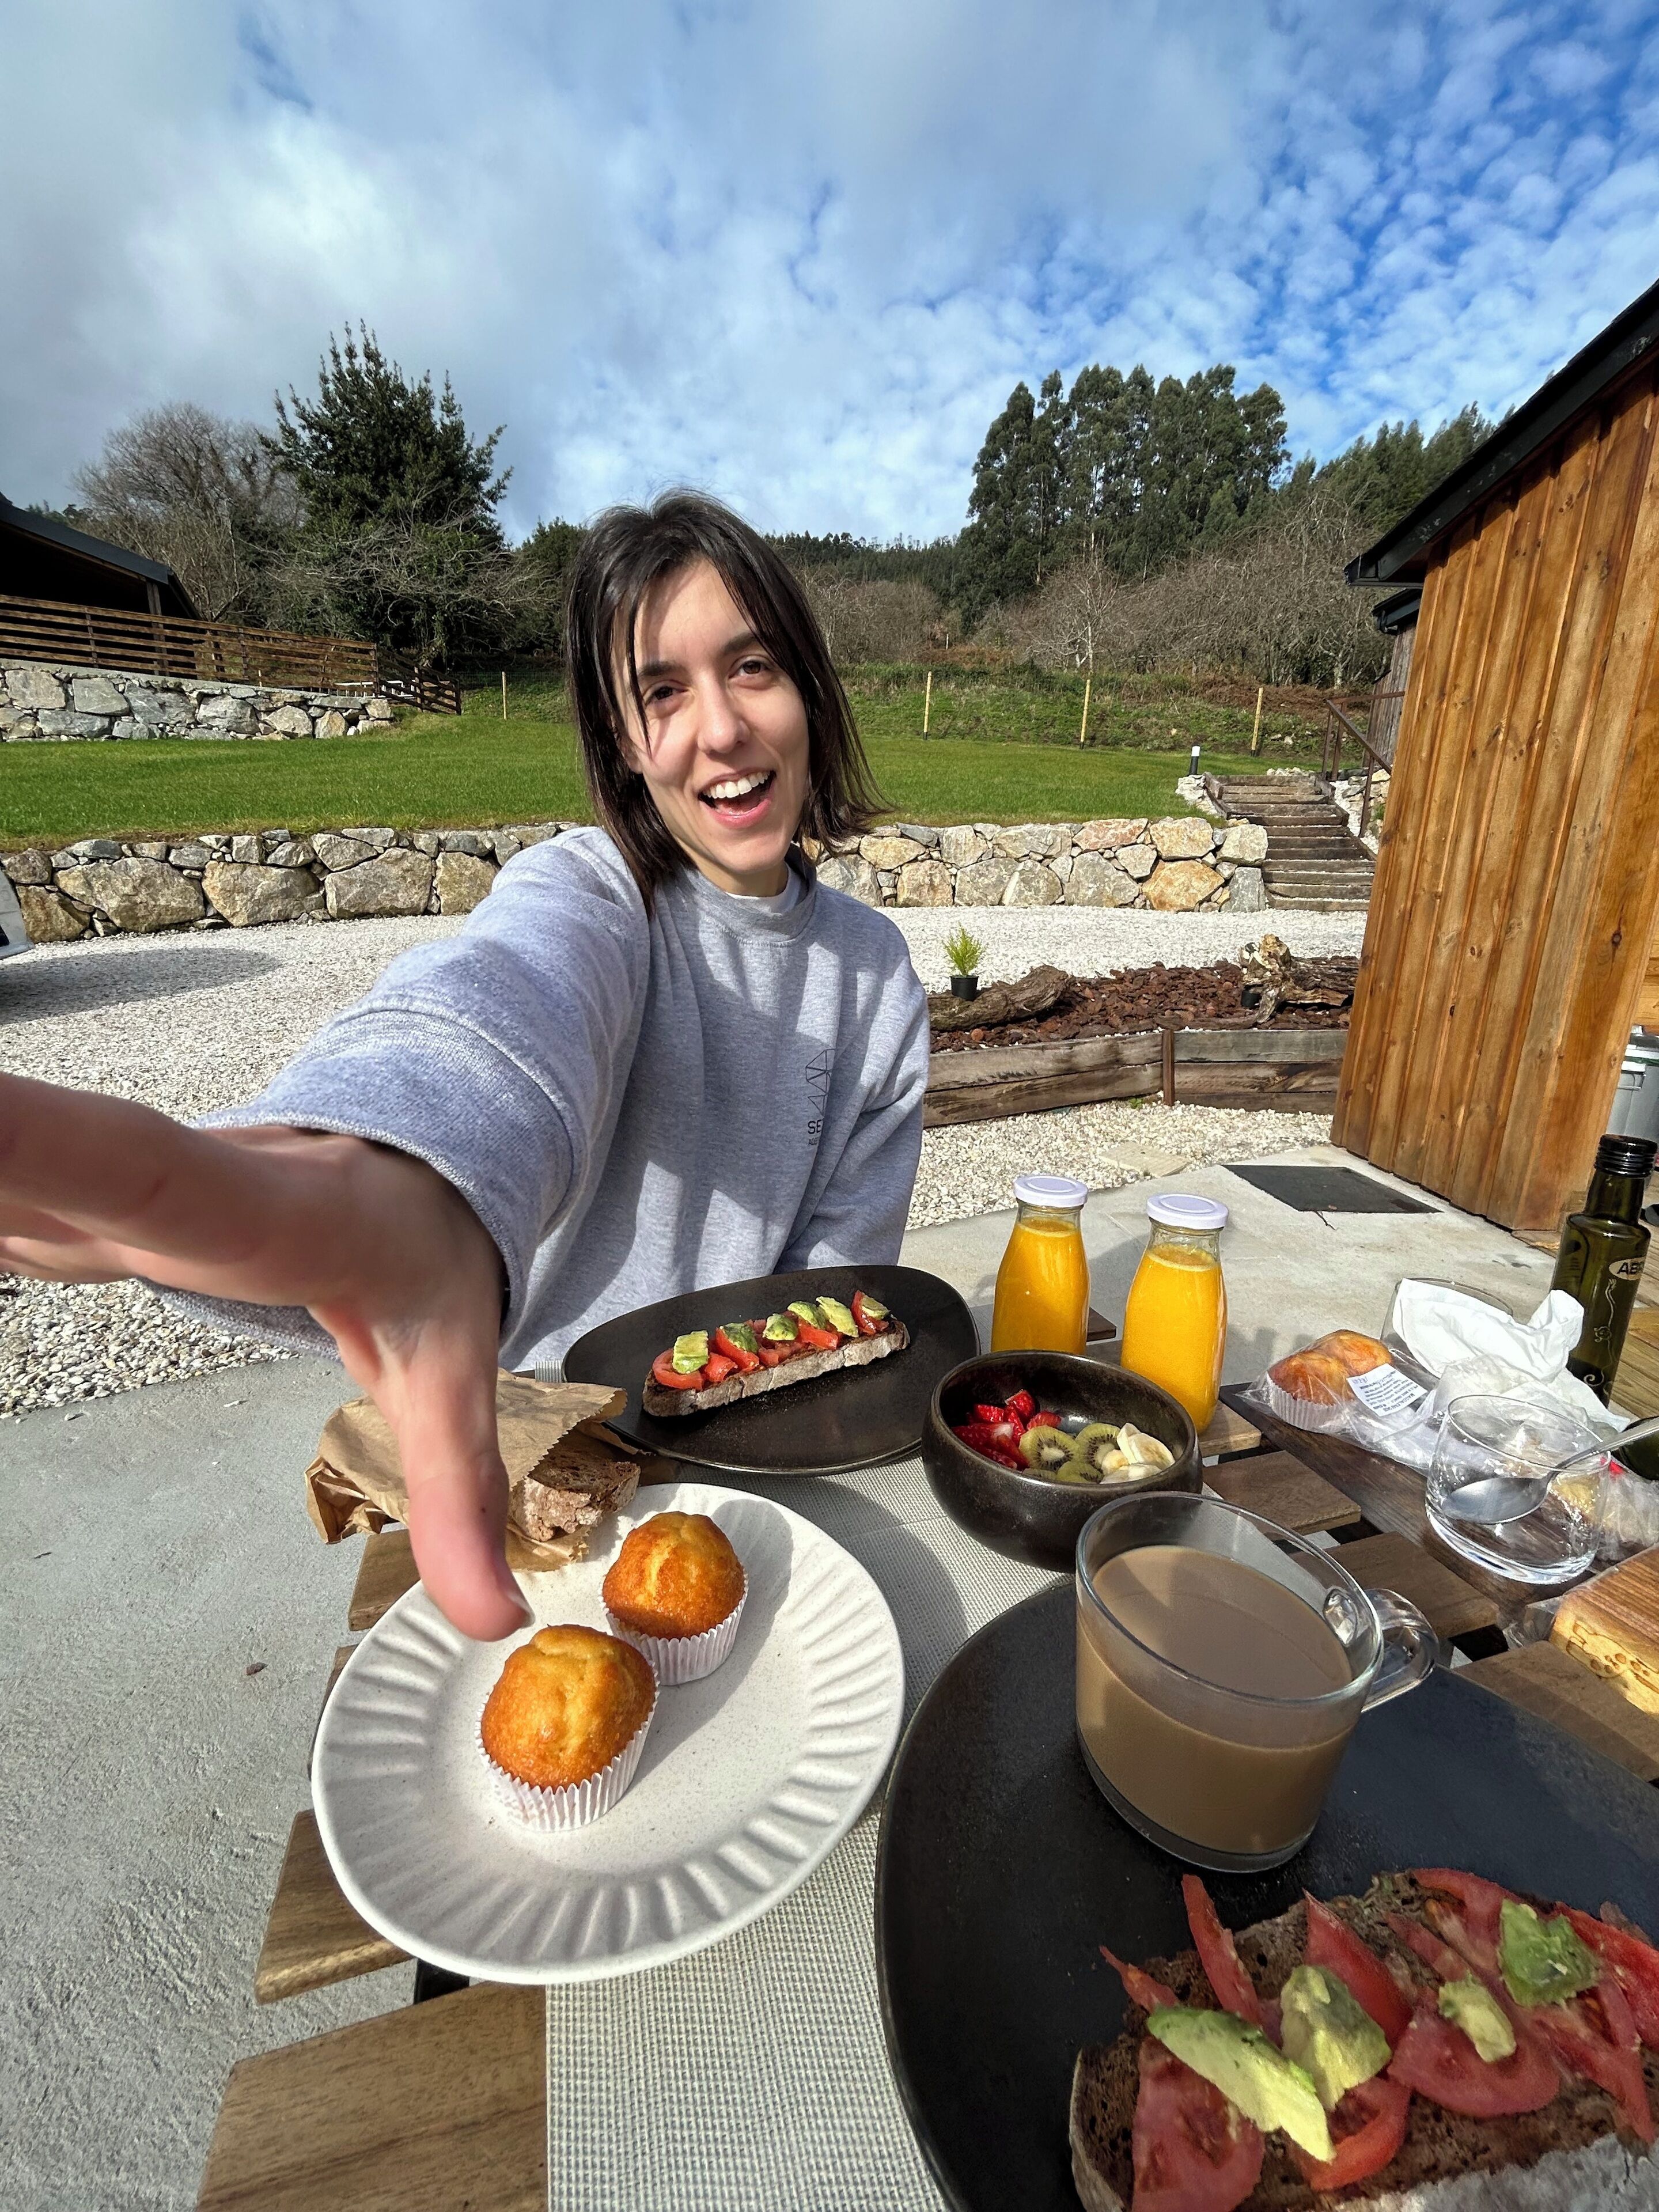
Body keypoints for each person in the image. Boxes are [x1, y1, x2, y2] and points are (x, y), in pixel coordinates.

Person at [0, 493, 930, 1642]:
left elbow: (833, 1300)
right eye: (662, 692)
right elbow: (496, 1004)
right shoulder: (594, 893)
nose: (724, 728)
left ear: (810, 690)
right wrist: (401, 1170)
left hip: (754, 1467)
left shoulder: (876, 977)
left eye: (752, 667)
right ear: (623, 743)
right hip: (522, 1468)